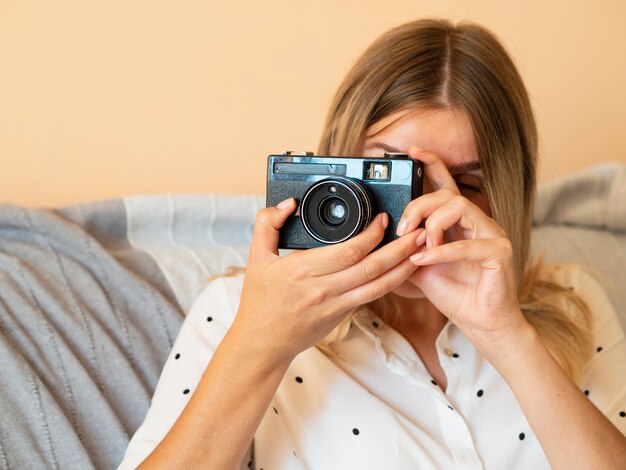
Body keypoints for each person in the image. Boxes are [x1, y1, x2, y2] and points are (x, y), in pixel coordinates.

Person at [119, 18, 626, 469]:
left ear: (509, 193)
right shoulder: (236, 310)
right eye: (392, 177)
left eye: (466, 186)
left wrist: (507, 338)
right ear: (337, 164)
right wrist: (261, 346)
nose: (420, 215)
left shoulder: (573, 302)